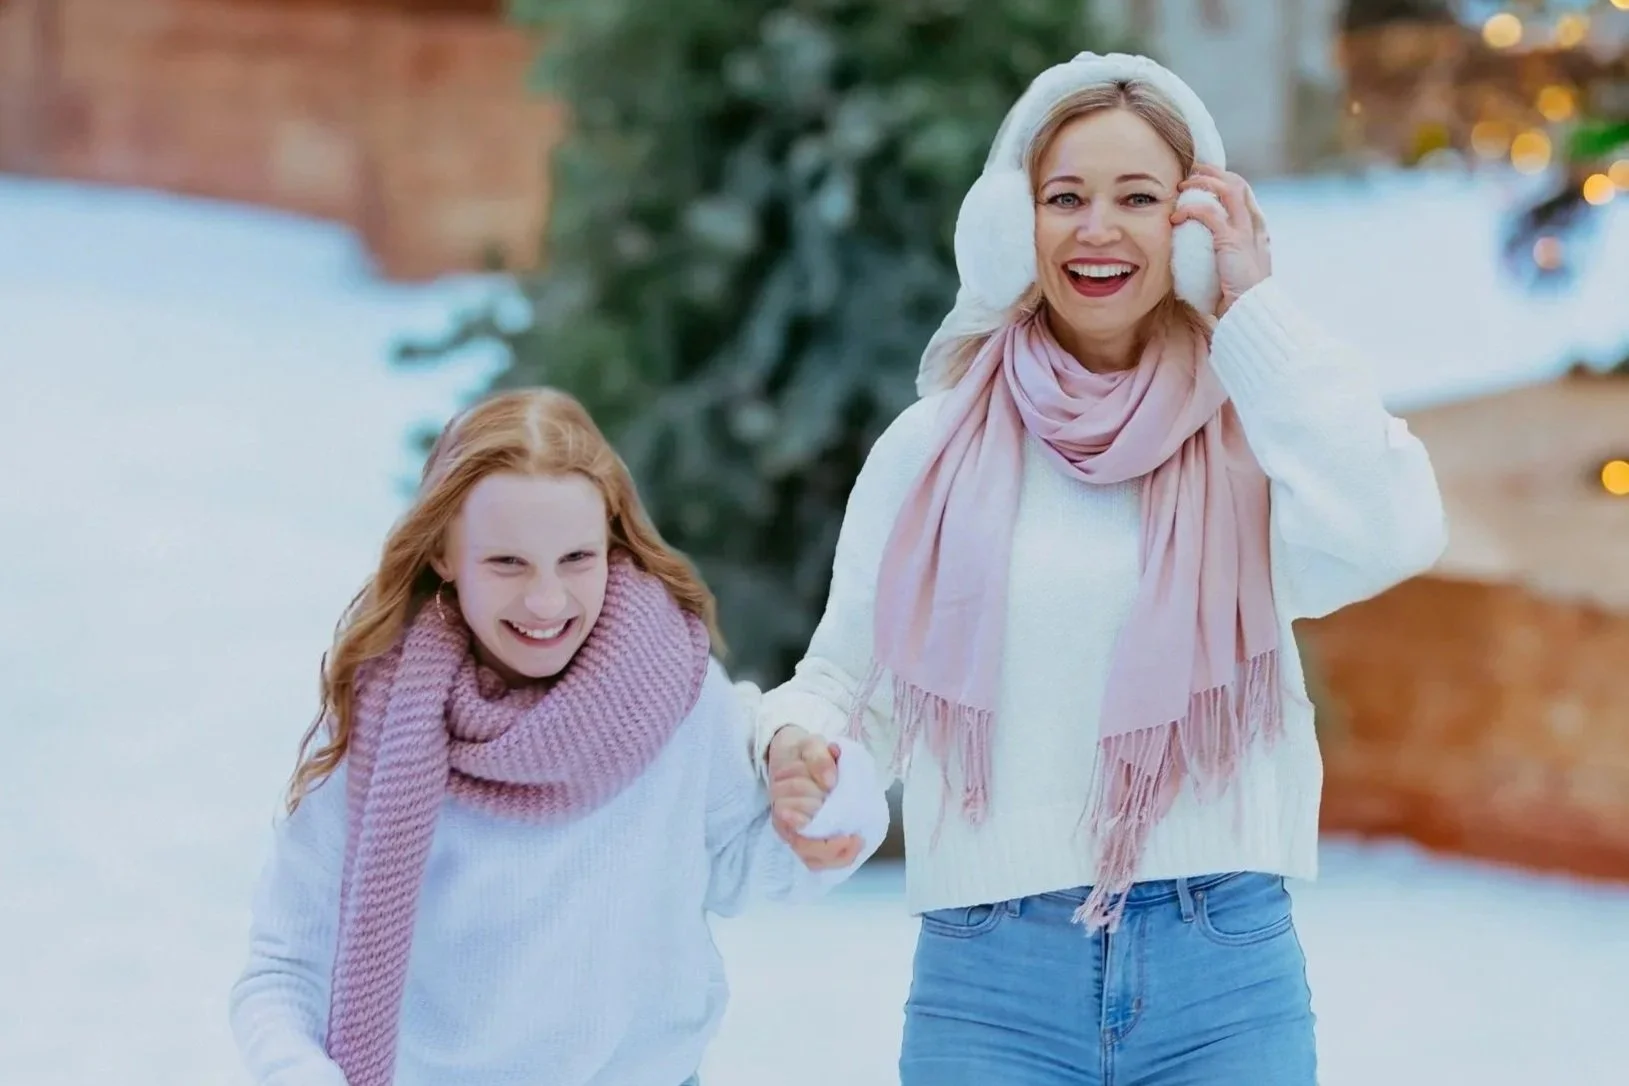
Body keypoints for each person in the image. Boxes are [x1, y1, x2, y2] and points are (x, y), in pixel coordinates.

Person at [754, 51, 1447, 1084]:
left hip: (1224, 968)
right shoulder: (931, 446)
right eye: (1063, 196)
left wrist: (1254, 311)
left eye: (1139, 197)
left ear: (1192, 228)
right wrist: (793, 747)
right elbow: (851, 683)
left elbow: (1394, 527)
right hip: (989, 981)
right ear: (1011, 226)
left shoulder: (1260, 428)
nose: (1097, 227)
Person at [228, 389, 889, 1086]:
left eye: (575, 558)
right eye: (506, 564)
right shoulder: (380, 722)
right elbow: (283, 968)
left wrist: (826, 808)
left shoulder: (672, 696)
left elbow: (757, 868)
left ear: (611, 542)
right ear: (444, 555)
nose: (546, 601)